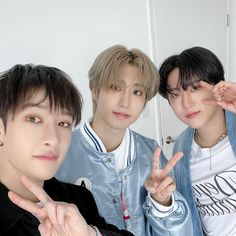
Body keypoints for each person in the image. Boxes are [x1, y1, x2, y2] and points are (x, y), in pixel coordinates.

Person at [56, 45, 193, 235]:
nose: (125, 102)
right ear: (95, 90)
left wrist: (163, 203)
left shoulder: (150, 151)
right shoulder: (61, 150)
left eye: (137, 92)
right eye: (115, 87)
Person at [0, 64, 134, 236]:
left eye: (63, 123)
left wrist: (89, 234)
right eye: (33, 119)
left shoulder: (78, 199)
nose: (53, 139)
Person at [159, 46, 236, 236]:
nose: (186, 103)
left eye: (195, 88)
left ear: (218, 85)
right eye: (175, 94)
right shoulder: (181, 148)